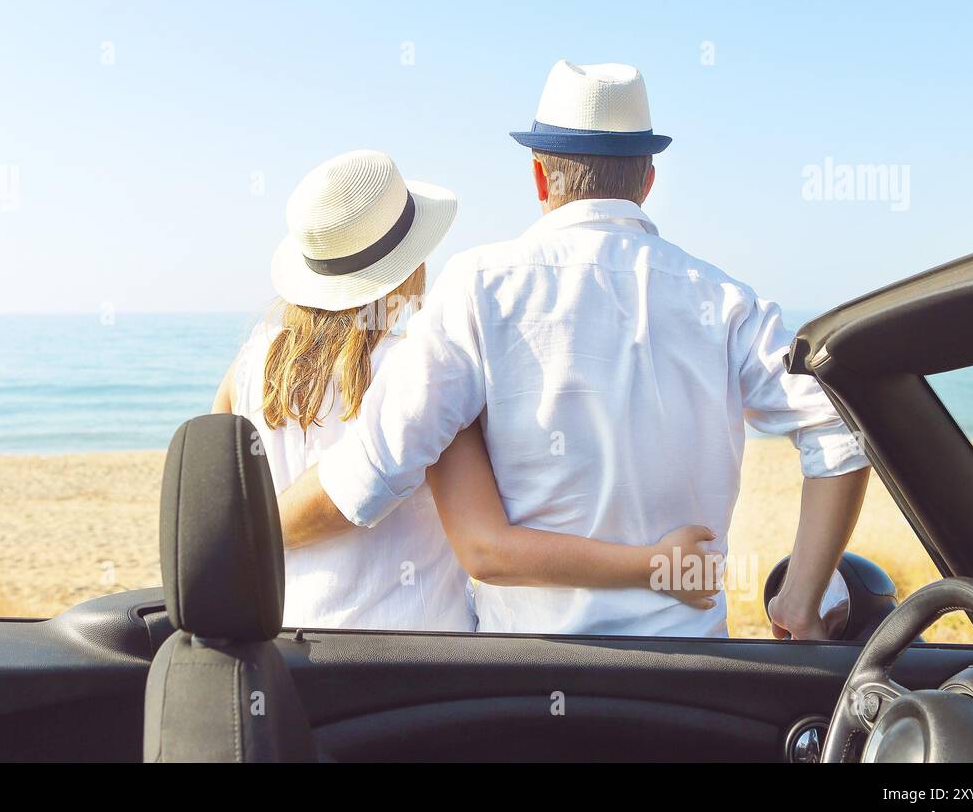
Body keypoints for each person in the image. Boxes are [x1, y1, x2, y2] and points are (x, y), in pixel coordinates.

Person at [278, 61, 871, 639]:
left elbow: (370, 473)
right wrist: (800, 599)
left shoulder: (477, 287)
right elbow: (843, 431)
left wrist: (240, 534)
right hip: (694, 672)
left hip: (529, 675)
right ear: (647, 182)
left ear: (539, 176)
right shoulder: (724, 301)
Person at [214, 149, 718, 633]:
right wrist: (652, 566)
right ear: (412, 265)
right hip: (409, 657)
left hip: (285, 645)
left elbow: (219, 512)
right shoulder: (420, 372)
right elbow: (488, 551)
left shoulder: (247, 369)